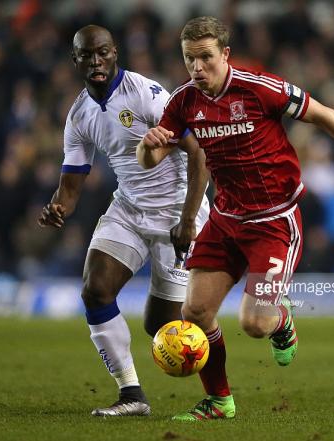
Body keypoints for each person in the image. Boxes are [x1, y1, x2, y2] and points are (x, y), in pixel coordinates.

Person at [137, 16, 334, 421]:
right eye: (190, 59)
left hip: (275, 220)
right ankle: (220, 402)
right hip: (225, 219)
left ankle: (281, 320)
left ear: (225, 55)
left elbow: (323, 114)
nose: (197, 68)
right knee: (195, 313)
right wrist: (148, 145)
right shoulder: (183, 101)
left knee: (255, 323)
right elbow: (151, 158)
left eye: (206, 57)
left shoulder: (260, 88)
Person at [38, 25, 209, 417]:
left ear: (115, 53)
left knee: (162, 329)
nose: (96, 61)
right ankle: (131, 394)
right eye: (87, 55)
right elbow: (71, 183)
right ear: (75, 60)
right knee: (95, 290)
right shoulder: (79, 114)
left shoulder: (147, 95)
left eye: (103, 53)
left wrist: (188, 219)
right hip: (129, 209)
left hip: (176, 211)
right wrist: (58, 207)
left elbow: (197, 152)